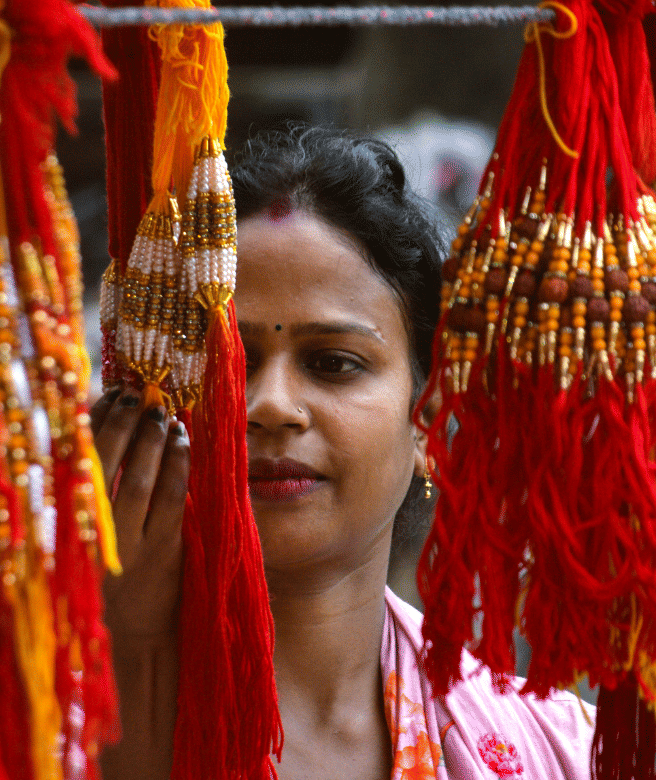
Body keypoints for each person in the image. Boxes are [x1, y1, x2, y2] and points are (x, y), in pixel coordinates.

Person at [92, 125, 594, 780]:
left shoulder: (558, 751)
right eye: (227, 366)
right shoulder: (20, 729)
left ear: (429, 417)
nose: (271, 404)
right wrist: (137, 663)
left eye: (333, 362)